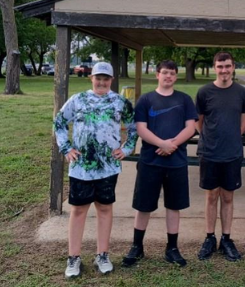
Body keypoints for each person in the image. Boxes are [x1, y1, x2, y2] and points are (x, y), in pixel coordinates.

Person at [54, 62, 137, 279]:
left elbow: (133, 126)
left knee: (104, 209)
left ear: (111, 80)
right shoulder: (78, 100)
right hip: (81, 167)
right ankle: (73, 257)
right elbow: (59, 122)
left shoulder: (120, 102)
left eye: (106, 79)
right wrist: (66, 148)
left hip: (108, 168)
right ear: (91, 78)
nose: (102, 82)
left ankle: (102, 254)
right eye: (98, 78)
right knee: (79, 210)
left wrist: (127, 148)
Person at [122, 60, 197, 268]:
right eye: (165, 73)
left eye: (172, 73)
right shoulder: (146, 100)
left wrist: (172, 144)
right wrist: (161, 143)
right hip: (150, 161)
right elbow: (141, 128)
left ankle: (172, 248)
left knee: (174, 206)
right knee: (143, 205)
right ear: (157, 75)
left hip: (177, 161)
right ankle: (137, 247)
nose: (168, 76)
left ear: (176, 76)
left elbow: (191, 127)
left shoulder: (184, 100)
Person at [196, 51, 245, 262]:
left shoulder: (242, 92)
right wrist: (210, 137)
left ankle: (226, 239)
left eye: (227, 66)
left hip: (232, 152)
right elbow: (198, 122)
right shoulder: (204, 92)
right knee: (211, 196)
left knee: (228, 197)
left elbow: (243, 123)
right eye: (220, 67)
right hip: (209, 152)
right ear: (214, 68)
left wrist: (230, 137)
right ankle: (209, 237)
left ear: (233, 67)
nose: (224, 71)